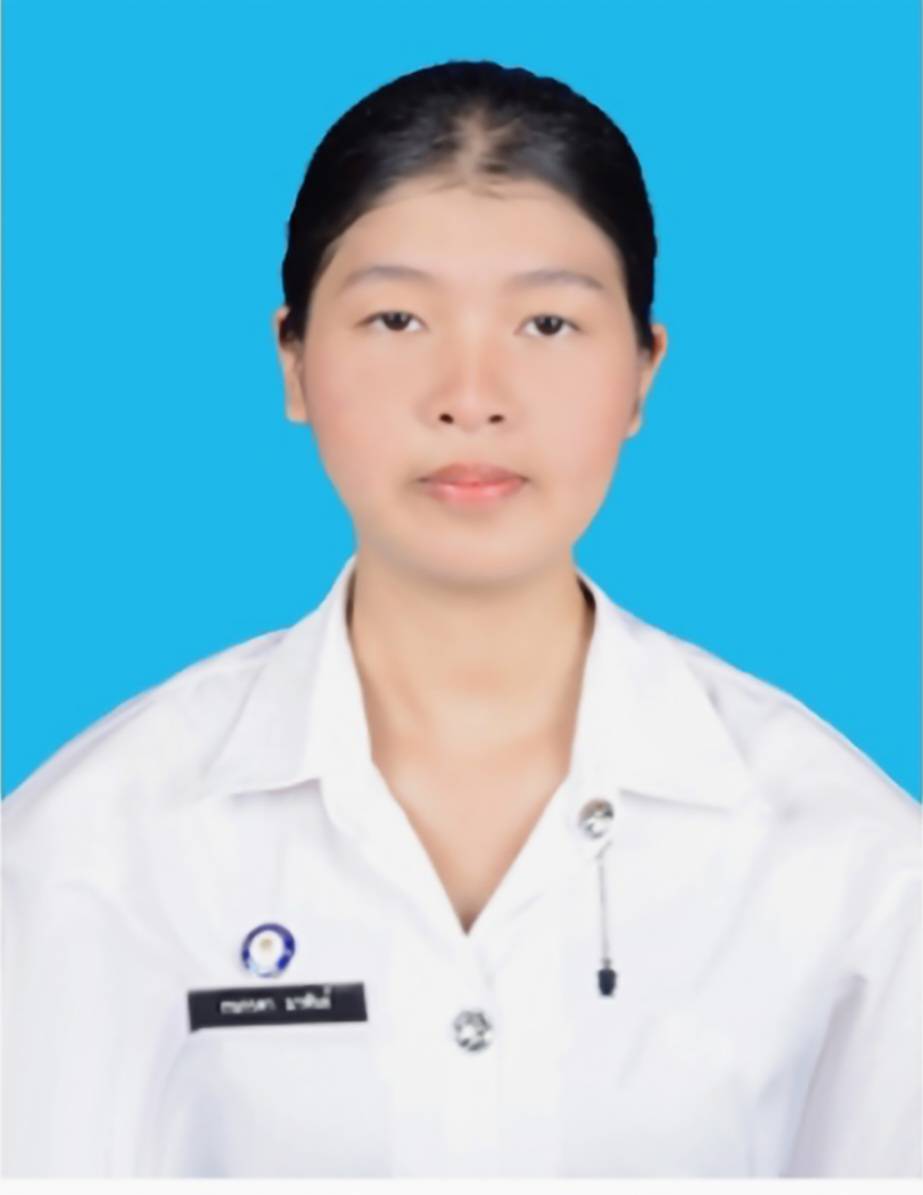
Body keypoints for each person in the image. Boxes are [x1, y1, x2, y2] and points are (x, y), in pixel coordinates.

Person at [2, 59, 919, 1180]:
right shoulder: (91, 848)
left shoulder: (847, 859)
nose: (470, 396)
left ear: (642, 371)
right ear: (293, 360)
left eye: (547, 322)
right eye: (396, 318)